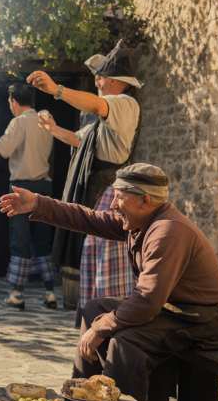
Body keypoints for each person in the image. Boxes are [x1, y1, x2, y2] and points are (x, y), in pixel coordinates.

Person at [0, 163, 218, 401]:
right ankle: (83, 399)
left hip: (202, 319)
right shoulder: (143, 221)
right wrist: (38, 203)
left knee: (125, 342)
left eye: (119, 198)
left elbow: (146, 302)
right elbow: (89, 218)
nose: (112, 205)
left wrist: (100, 329)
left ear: (144, 200)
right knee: (93, 310)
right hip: (172, 310)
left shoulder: (167, 232)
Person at [28, 40, 141, 314]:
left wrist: (57, 90)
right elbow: (79, 141)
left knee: (105, 261)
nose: (97, 80)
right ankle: (93, 315)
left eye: (100, 76)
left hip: (110, 191)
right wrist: (53, 128)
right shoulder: (102, 115)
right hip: (95, 189)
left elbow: (96, 105)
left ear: (114, 80)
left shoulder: (124, 104)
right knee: (91, 255)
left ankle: (109, 317)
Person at [0, 83, 57, 309]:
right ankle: (50, 292)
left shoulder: (18, 122)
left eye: (10, 102)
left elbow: (1, 150)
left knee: (20, 239)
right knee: (42, 239)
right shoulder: (45, 117)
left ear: (14, 101)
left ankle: (17, 294)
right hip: (44, 186)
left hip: (21, 187)